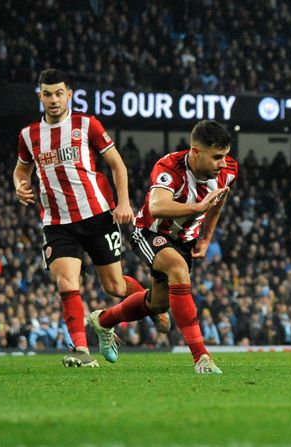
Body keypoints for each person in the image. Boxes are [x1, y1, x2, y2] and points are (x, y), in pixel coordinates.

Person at [13, 68, 148, 368]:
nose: (53, 99)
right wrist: (19, 186)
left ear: (69, 94)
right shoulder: (28, 135)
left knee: (114, 287)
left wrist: (123, 202)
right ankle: (81, 350)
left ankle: (152, 304)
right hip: (57, 222)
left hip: (97, 214)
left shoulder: (87, 125)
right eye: (47, 94)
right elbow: (22, 170)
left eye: (59, 93)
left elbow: (117, 165)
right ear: (40, 96)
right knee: (65, 282)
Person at [88, 120, 237, 374]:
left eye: (225, 156)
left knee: (158, 305)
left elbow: (219, 199)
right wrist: (198, 208)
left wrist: (207, 237)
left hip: (185, 240)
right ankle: (202, 358)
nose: (223, 163)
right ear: (196, 151)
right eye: (217, 157)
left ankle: (103, 321)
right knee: (179, 269)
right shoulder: (169, 167)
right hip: (150, 232)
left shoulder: (227, 169)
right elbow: (157, 206)